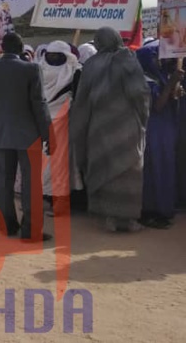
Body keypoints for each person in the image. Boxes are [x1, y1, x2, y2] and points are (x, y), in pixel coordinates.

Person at [71, 28, 149, 233]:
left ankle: (109, 217)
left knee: (103, 168)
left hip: (99, 127)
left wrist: (81, 129)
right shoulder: (127, 59)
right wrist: (144, 117)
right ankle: (128, 220)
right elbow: (140, 93)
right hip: (127, 127)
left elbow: (82, 100)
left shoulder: (91, 64)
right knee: (129, 172)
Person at [0, 32, 52, 241]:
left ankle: (6, 225)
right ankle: (31, 230)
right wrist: (47, 134)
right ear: (21, 49)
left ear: (2, 48)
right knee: (31, 183)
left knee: (3, 181)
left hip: (1, 133)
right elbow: (39, 104)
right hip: (29, 136)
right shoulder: (31, 69)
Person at [136, 43, 183, 229]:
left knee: (165, 169)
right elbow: (157, 106)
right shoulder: (145, 80)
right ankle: (150, 211)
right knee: (154, 171)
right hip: (153, 130)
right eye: (156, 57)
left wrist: (174, 89)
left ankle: (163, 208)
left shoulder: (160, 75)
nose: (160, 60)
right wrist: (171, 84)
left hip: (165, 129)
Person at [38, 41, 82, 214]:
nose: (53, 58)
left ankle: (60, 203)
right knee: (44, 163)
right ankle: (46, 198)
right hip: (43, 125)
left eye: (57, 55)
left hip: (64, 125)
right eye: (51, 55)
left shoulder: (75, 72)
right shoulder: (39, 70)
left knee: (60, 163)